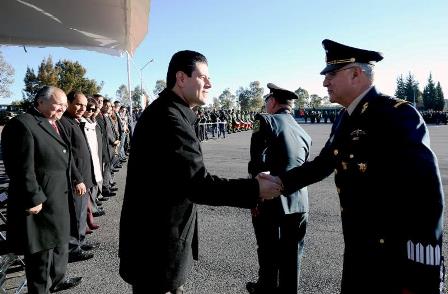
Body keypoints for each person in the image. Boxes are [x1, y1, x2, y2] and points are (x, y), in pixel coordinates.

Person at [267, 39, 445, 294]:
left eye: (331, 74)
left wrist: (423, 265)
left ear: (355, 74)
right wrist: (279, 183)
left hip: (395, 259)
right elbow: (322, 165)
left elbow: (426, 193)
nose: (325, 82)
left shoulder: (396, 114)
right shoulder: (344, 117)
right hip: (358, 250)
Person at [119, 50, 282, 294]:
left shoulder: (170, 112)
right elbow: (198, 185)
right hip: (156, 250)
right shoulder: (170, 119)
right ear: (181, 78)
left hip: (152, 245)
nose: (210, 83)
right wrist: (255, 189)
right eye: (203, 76)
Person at [1, 86, 82, 293]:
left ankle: (54, 285)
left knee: (56, 257)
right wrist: (33, 198)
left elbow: (65, 155)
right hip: (40, 208)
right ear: (40, 102)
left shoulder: (55, 122)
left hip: (58, 202)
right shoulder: (22, 125)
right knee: (40, 268)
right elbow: (20, 167)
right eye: (58, 105)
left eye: (65, 105)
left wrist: (76, 179)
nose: (63, 109)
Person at [246, 83, 312, 294]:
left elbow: (257, 164)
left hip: (272, 200)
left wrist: (255, 198)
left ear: (272, 102)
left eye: (267, 100)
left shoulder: (265, 120)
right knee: (292, 257)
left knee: (268, 252)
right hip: (300, 203)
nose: (266, 105)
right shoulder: (303, 132)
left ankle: (264, 289)